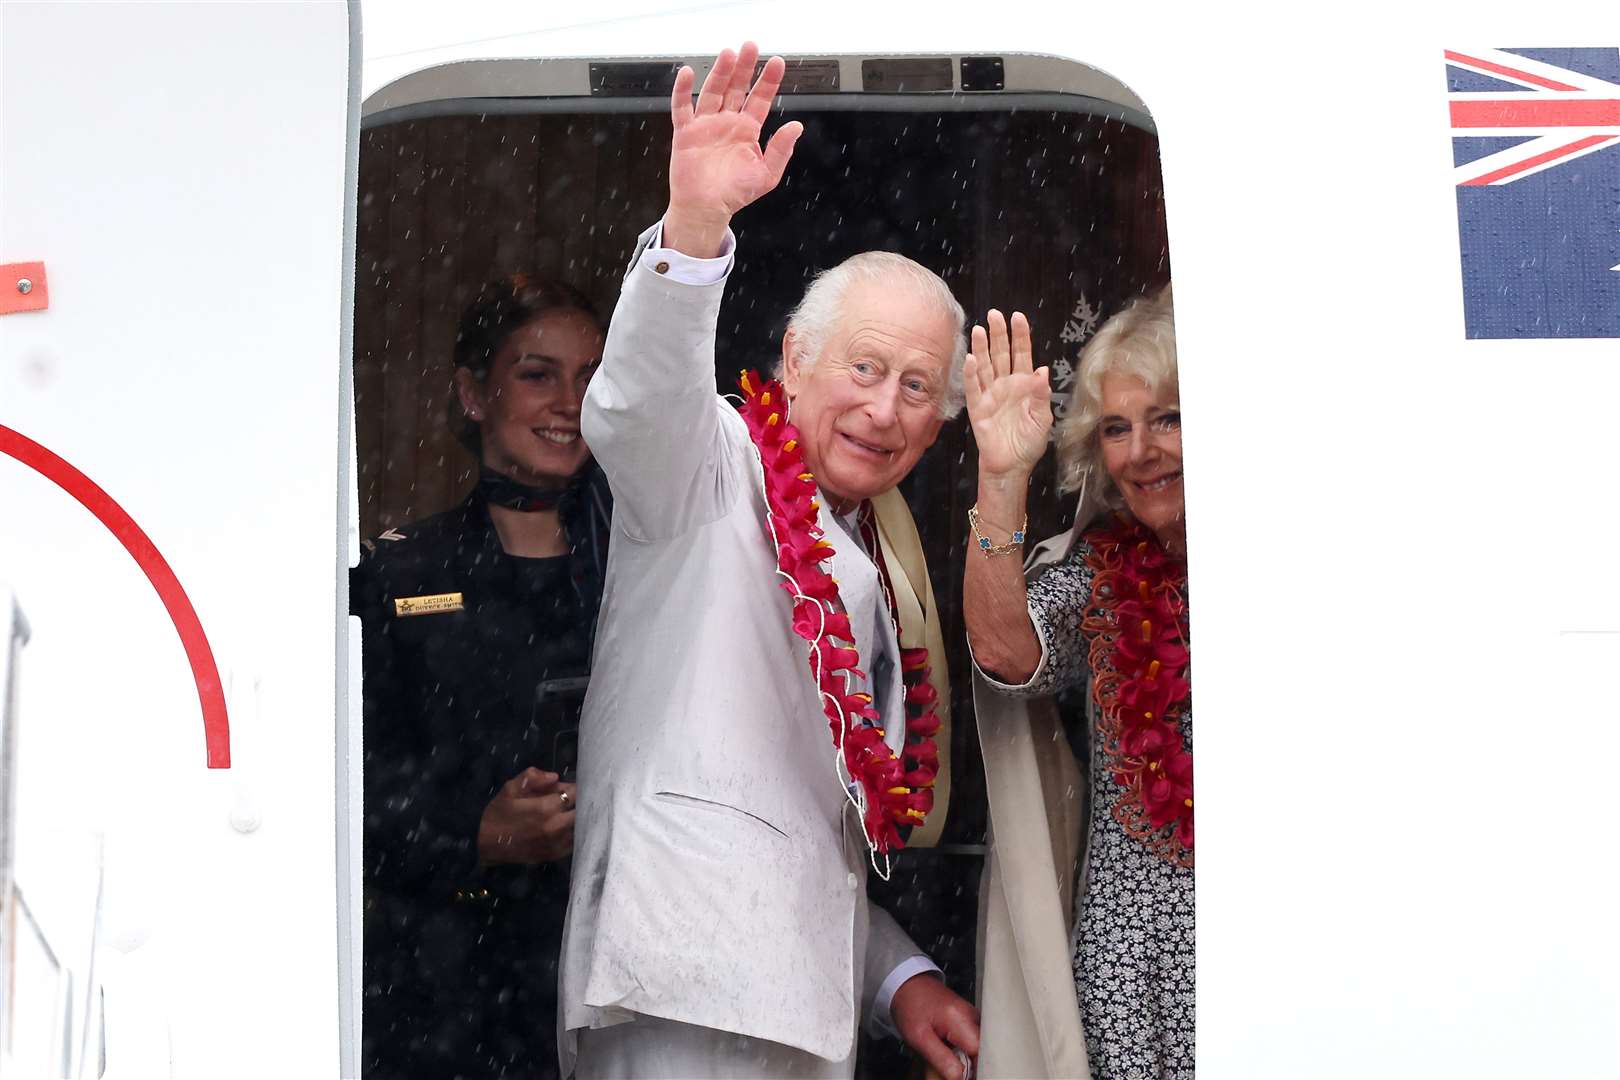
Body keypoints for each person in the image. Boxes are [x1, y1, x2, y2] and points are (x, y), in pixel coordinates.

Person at [557, 42, 980, 1080]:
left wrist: (898, 978)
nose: (886, 409)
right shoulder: (708, 465)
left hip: (799, 1006)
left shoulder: (885, 557)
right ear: (794, 358)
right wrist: (696, 226)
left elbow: (809, 827)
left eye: (919, 388)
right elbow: (635, 401)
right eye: (866, 367)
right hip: (681, 984)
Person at [353, 276, 612, 1079]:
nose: (570, 401)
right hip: (445, 990)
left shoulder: (648, 567)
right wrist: (478, 836)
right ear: (473, 394)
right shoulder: (397, 573)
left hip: (619, 972)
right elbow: (344, 794)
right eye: (538, 374)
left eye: (592, 377)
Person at [961, 289, 1192, 1079]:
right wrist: (1002, 478)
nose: (1141, 451)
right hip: (1130, 967)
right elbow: (1004, 654)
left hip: (1280, 946)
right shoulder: (1100, 572)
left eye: (1167, 417)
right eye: (1118, 429)